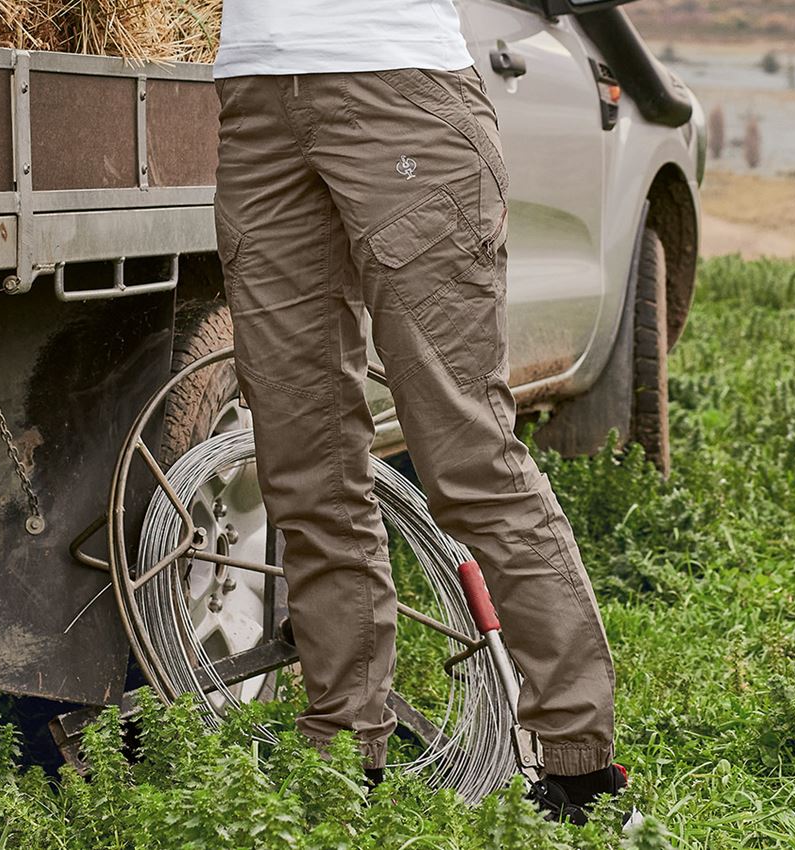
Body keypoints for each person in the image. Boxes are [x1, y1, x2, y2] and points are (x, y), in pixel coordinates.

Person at [212, 0, 630, 825]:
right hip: (255, 99)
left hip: (397, 89)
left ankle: (577, 767)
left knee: (467, 458)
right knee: (303, 465)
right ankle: (344, 761)